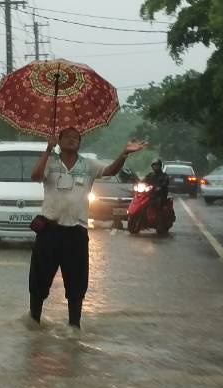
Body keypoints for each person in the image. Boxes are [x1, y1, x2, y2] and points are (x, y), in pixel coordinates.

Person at [28, 126, 145, 327]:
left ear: (80, 143)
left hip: (76, 234)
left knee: (77, 284)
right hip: (49, 231)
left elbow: (110, 170)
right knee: (38, 281)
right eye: (68, 137)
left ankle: (74, 328)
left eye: (76, 138)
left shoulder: (88, 165)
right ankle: (32, 324)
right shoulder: (50, 161)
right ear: (60, 140)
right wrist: (48, 149)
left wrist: (124, 154)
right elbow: (36, 176)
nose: (73, 140)